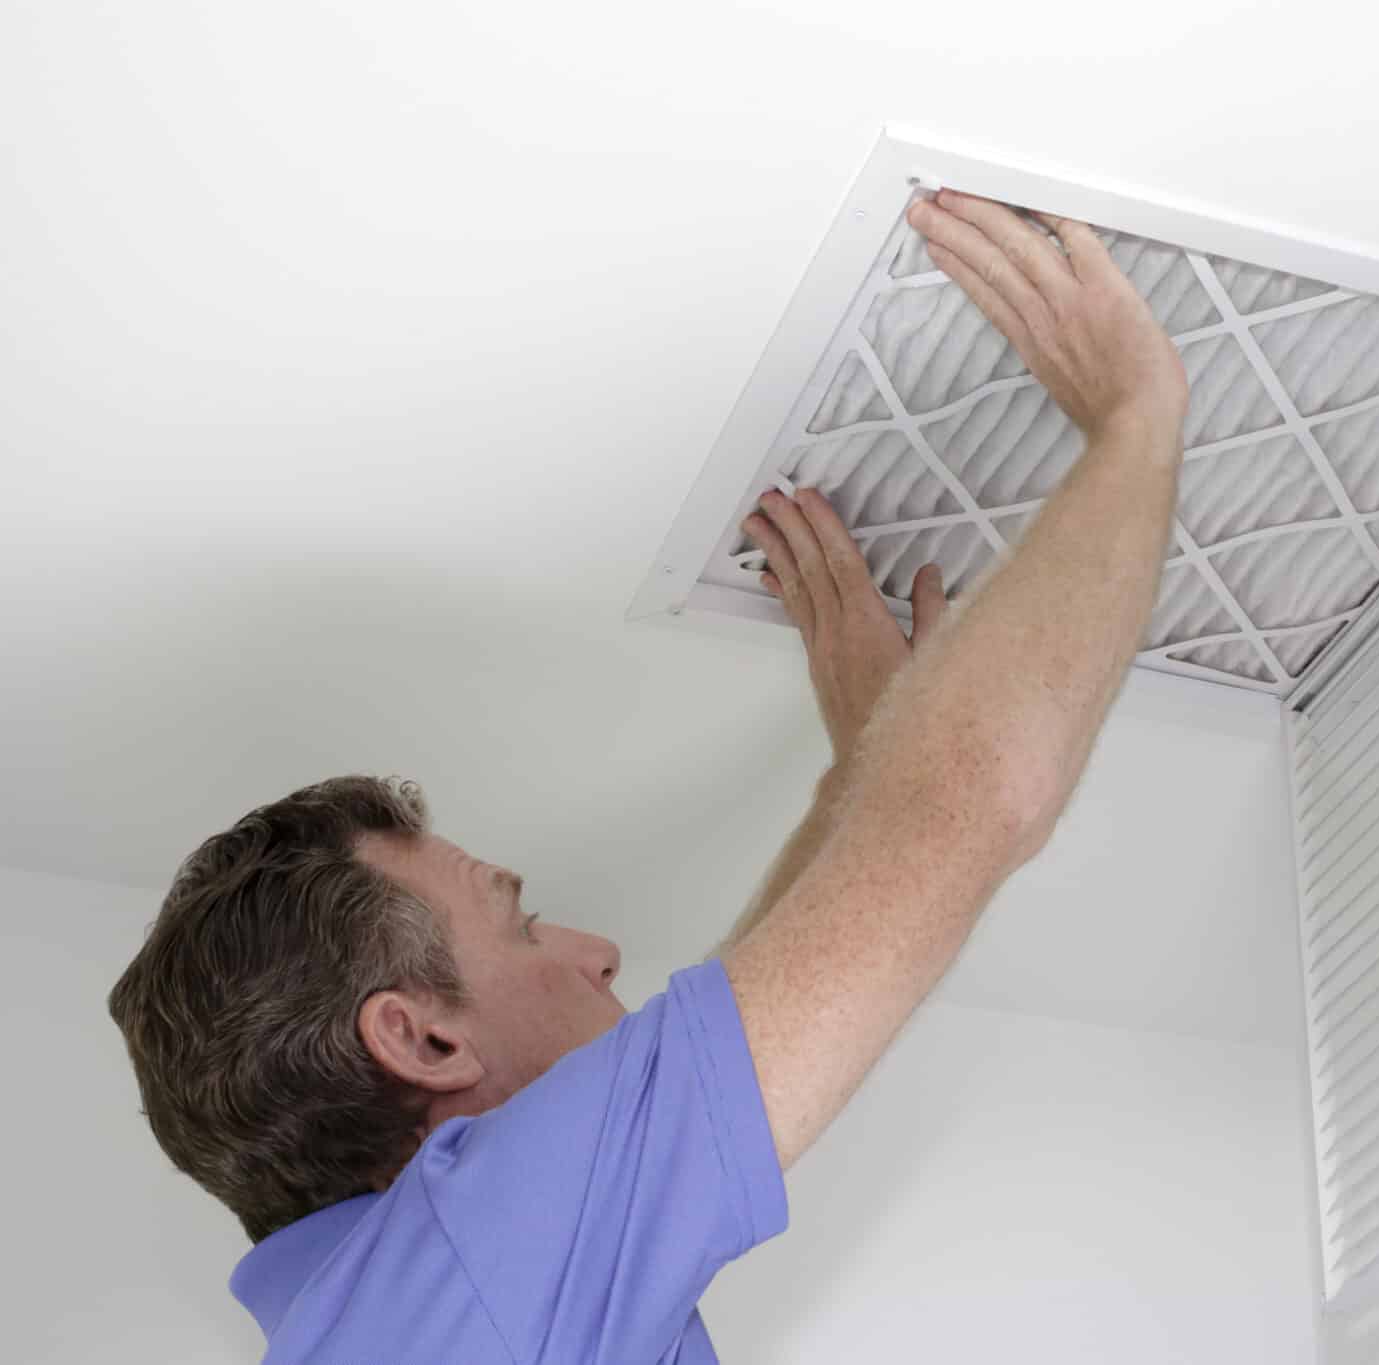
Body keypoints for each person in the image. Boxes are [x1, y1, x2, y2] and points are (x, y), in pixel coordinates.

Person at [107, 188, 1191, 1363]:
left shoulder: (418, 1309)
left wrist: (862, 784)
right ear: (420, 1044)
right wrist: (1135, 417)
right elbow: (966, 808)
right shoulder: (467, 1272)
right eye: (518, 929)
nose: (598, 953)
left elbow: (807, 951)